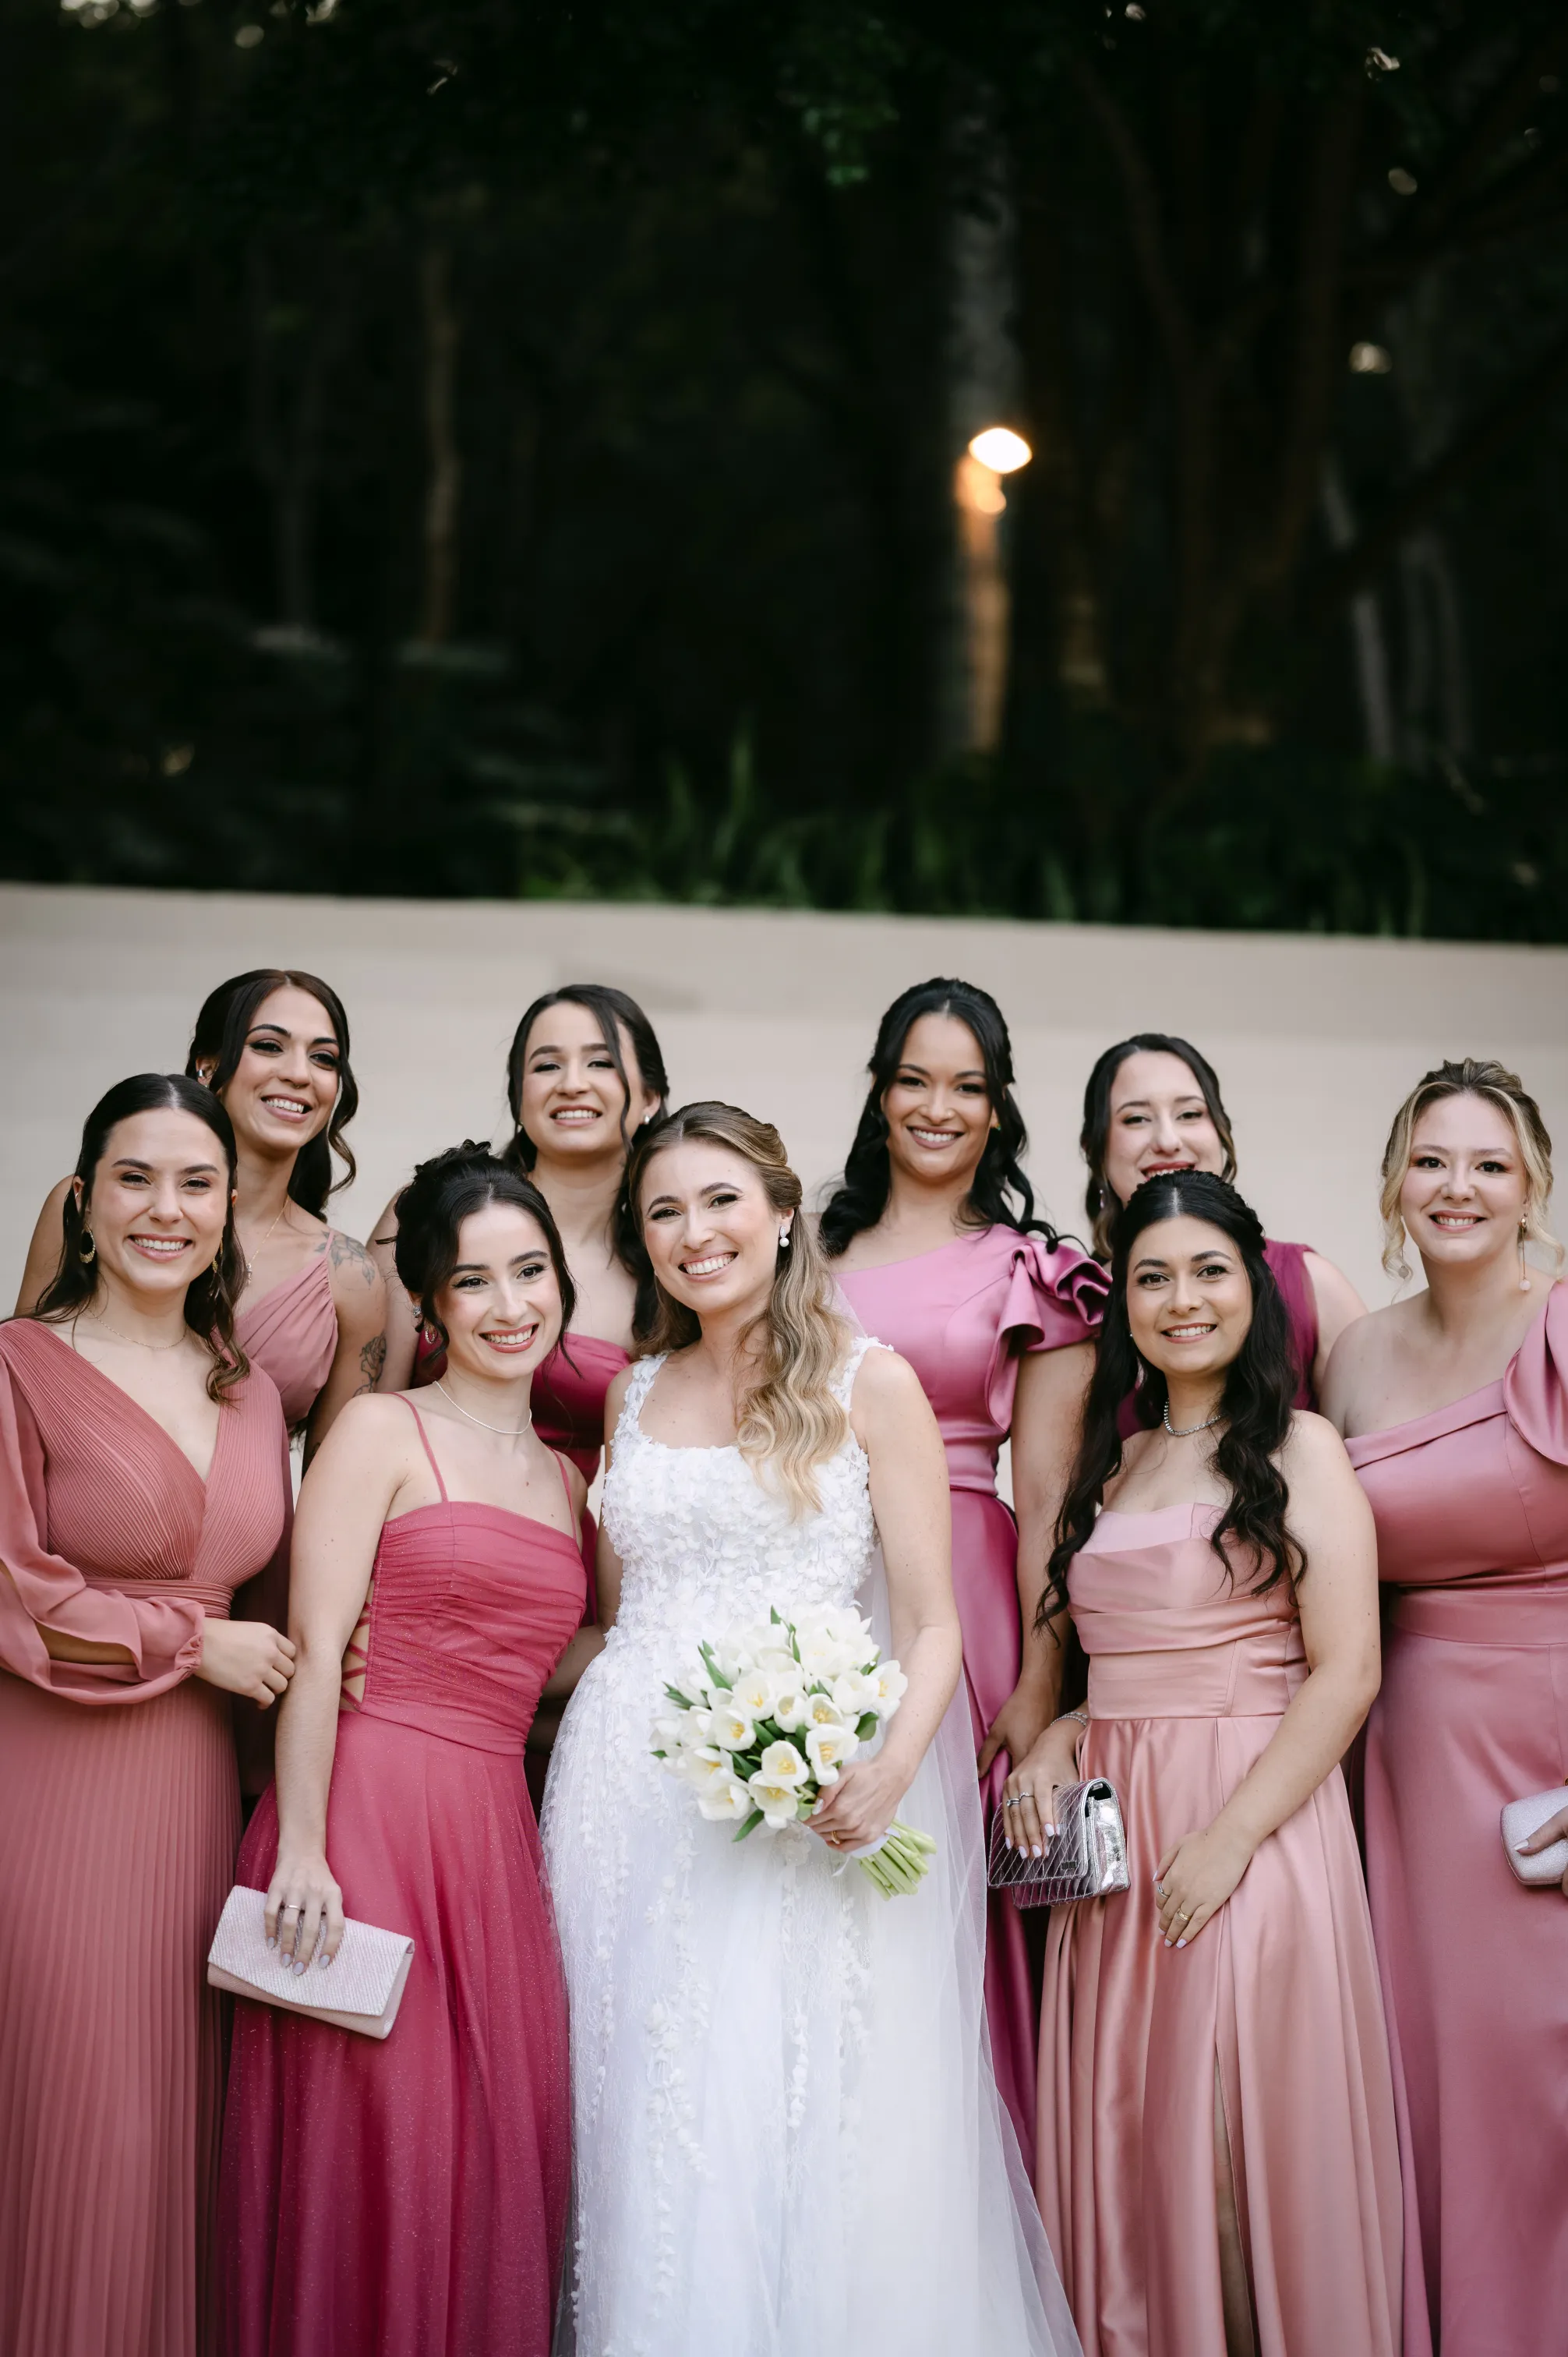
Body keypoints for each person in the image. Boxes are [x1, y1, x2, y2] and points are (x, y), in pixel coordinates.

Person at [542, 1102, 1081, 2357]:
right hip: (626, 1788)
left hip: (806, 1799)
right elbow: (623, 1627)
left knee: (777, 2100)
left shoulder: (867, 1379)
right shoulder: (631, 1392)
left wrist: (890, 1765)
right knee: (640, 2106)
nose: (693, 1232)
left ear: (784, 1214)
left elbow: (935, 1623)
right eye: (663, 1211)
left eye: (721, 1199)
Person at [1009, 1169, 1401, 2357]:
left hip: (1247, 1827)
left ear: (1254, 1289)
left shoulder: (1301, 1449)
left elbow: (1347, 1670)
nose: (1183, 1299)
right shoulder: (1113, 1467)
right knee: (1129, 2140)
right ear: (1122, 1301)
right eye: (1153, 1277)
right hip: (1116, 1851)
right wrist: (1068, 1734)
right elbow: (1111, 1657)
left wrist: (1232, 1839)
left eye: (1210, 1271)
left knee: (1235, 2135)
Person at [221, 1148, 596, 2357]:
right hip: (364, 1815)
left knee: (485, 2152)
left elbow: (573, 1663)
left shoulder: (573, 1480)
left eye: (530, 1273)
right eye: (473, 1281)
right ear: (429, 1304)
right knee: (370, 2145)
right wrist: (307, 1852)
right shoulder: (383, 1429)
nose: (509, 1306)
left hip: (491, 1844)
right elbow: (319, 1652)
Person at [0, 1074, 295, 2357]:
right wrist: (193, 1636)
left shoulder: (253, 1392)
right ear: (82, 1195)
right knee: (88, 2117)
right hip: (51, 1776)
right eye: (134, 1177)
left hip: (194, 1801)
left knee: (183, 2128)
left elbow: (282, 1610)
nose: (162, 1208)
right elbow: (13, 1587)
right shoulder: (19, 1362)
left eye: (194, 1183)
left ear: (228, 1210)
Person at [821, 976, 1106, 2169]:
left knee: (961, 1892)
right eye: (915, 1080)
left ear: (998, 1114)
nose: (938, 1107)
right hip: (826, 1584)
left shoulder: (1027, 1269)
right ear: (880, 1093)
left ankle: (976, 2180)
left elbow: (1044, 1496)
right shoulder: (807, 1249)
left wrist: (1039, 1681)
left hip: (971, 1588)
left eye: (968, 1087)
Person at [1323, 1058, 1568, 2357]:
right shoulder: (1355, 1355)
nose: (1454, 1185)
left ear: (1531, 1187)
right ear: (1391, 1184)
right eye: (1429, 1160)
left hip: (1550, 1757)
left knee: (1542, 2083)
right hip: (1409, 1763)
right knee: (1431, 2084)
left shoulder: (1567, 1322)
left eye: (1485, 1162)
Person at [17, 969, 386, 1453]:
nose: (299, 1073)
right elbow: (22, 1394)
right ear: (206, 1066)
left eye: (323, 1058)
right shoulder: (88, 1208)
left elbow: (336, 1488)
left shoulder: (352, 1279)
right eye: (269, 1046)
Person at [371, 983, 667, 1556]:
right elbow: (365, 1408)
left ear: (650, 1096)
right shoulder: (430, 1213)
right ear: (518, 1096)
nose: (572, 1083)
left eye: (600, 1062)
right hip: (417, 1544)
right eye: (546, 1064)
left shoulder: (664, 1262)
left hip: (557, 1558)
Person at [1080, 1034, 1364, 1406]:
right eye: (1136, 1118)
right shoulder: (1078, 1308)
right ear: (1095, 1148)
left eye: (1190, 1114)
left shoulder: (1313, 1285)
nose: (1168, 1140)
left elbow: (1373, 1454)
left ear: (1221, 1131)